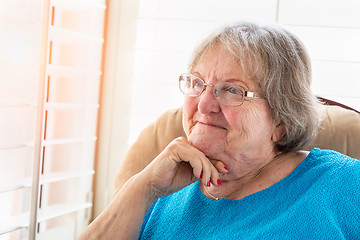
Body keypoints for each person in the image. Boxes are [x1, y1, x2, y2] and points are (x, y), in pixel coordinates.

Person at [79, 22, 360, 239]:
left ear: (281, 121)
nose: (204, 103)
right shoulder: (158, 193)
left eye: (232, 90)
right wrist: (144, 188)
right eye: (198, 83)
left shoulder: (343, 184)